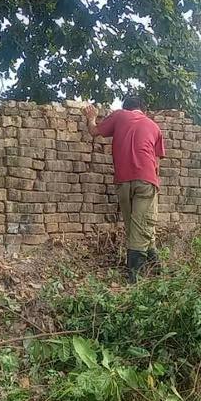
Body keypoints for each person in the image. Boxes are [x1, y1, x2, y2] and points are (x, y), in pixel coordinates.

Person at [83, 95, 166, 281]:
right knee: (141, 226)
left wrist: (90, 117)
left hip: (123, 181)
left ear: (126, 107)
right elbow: (156, 164)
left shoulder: (119, 115)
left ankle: (153, 270)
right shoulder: (154, 127)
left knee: (134, 226)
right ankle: (135, 277)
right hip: (146, 181)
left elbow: (94, 131)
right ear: (142, 109)